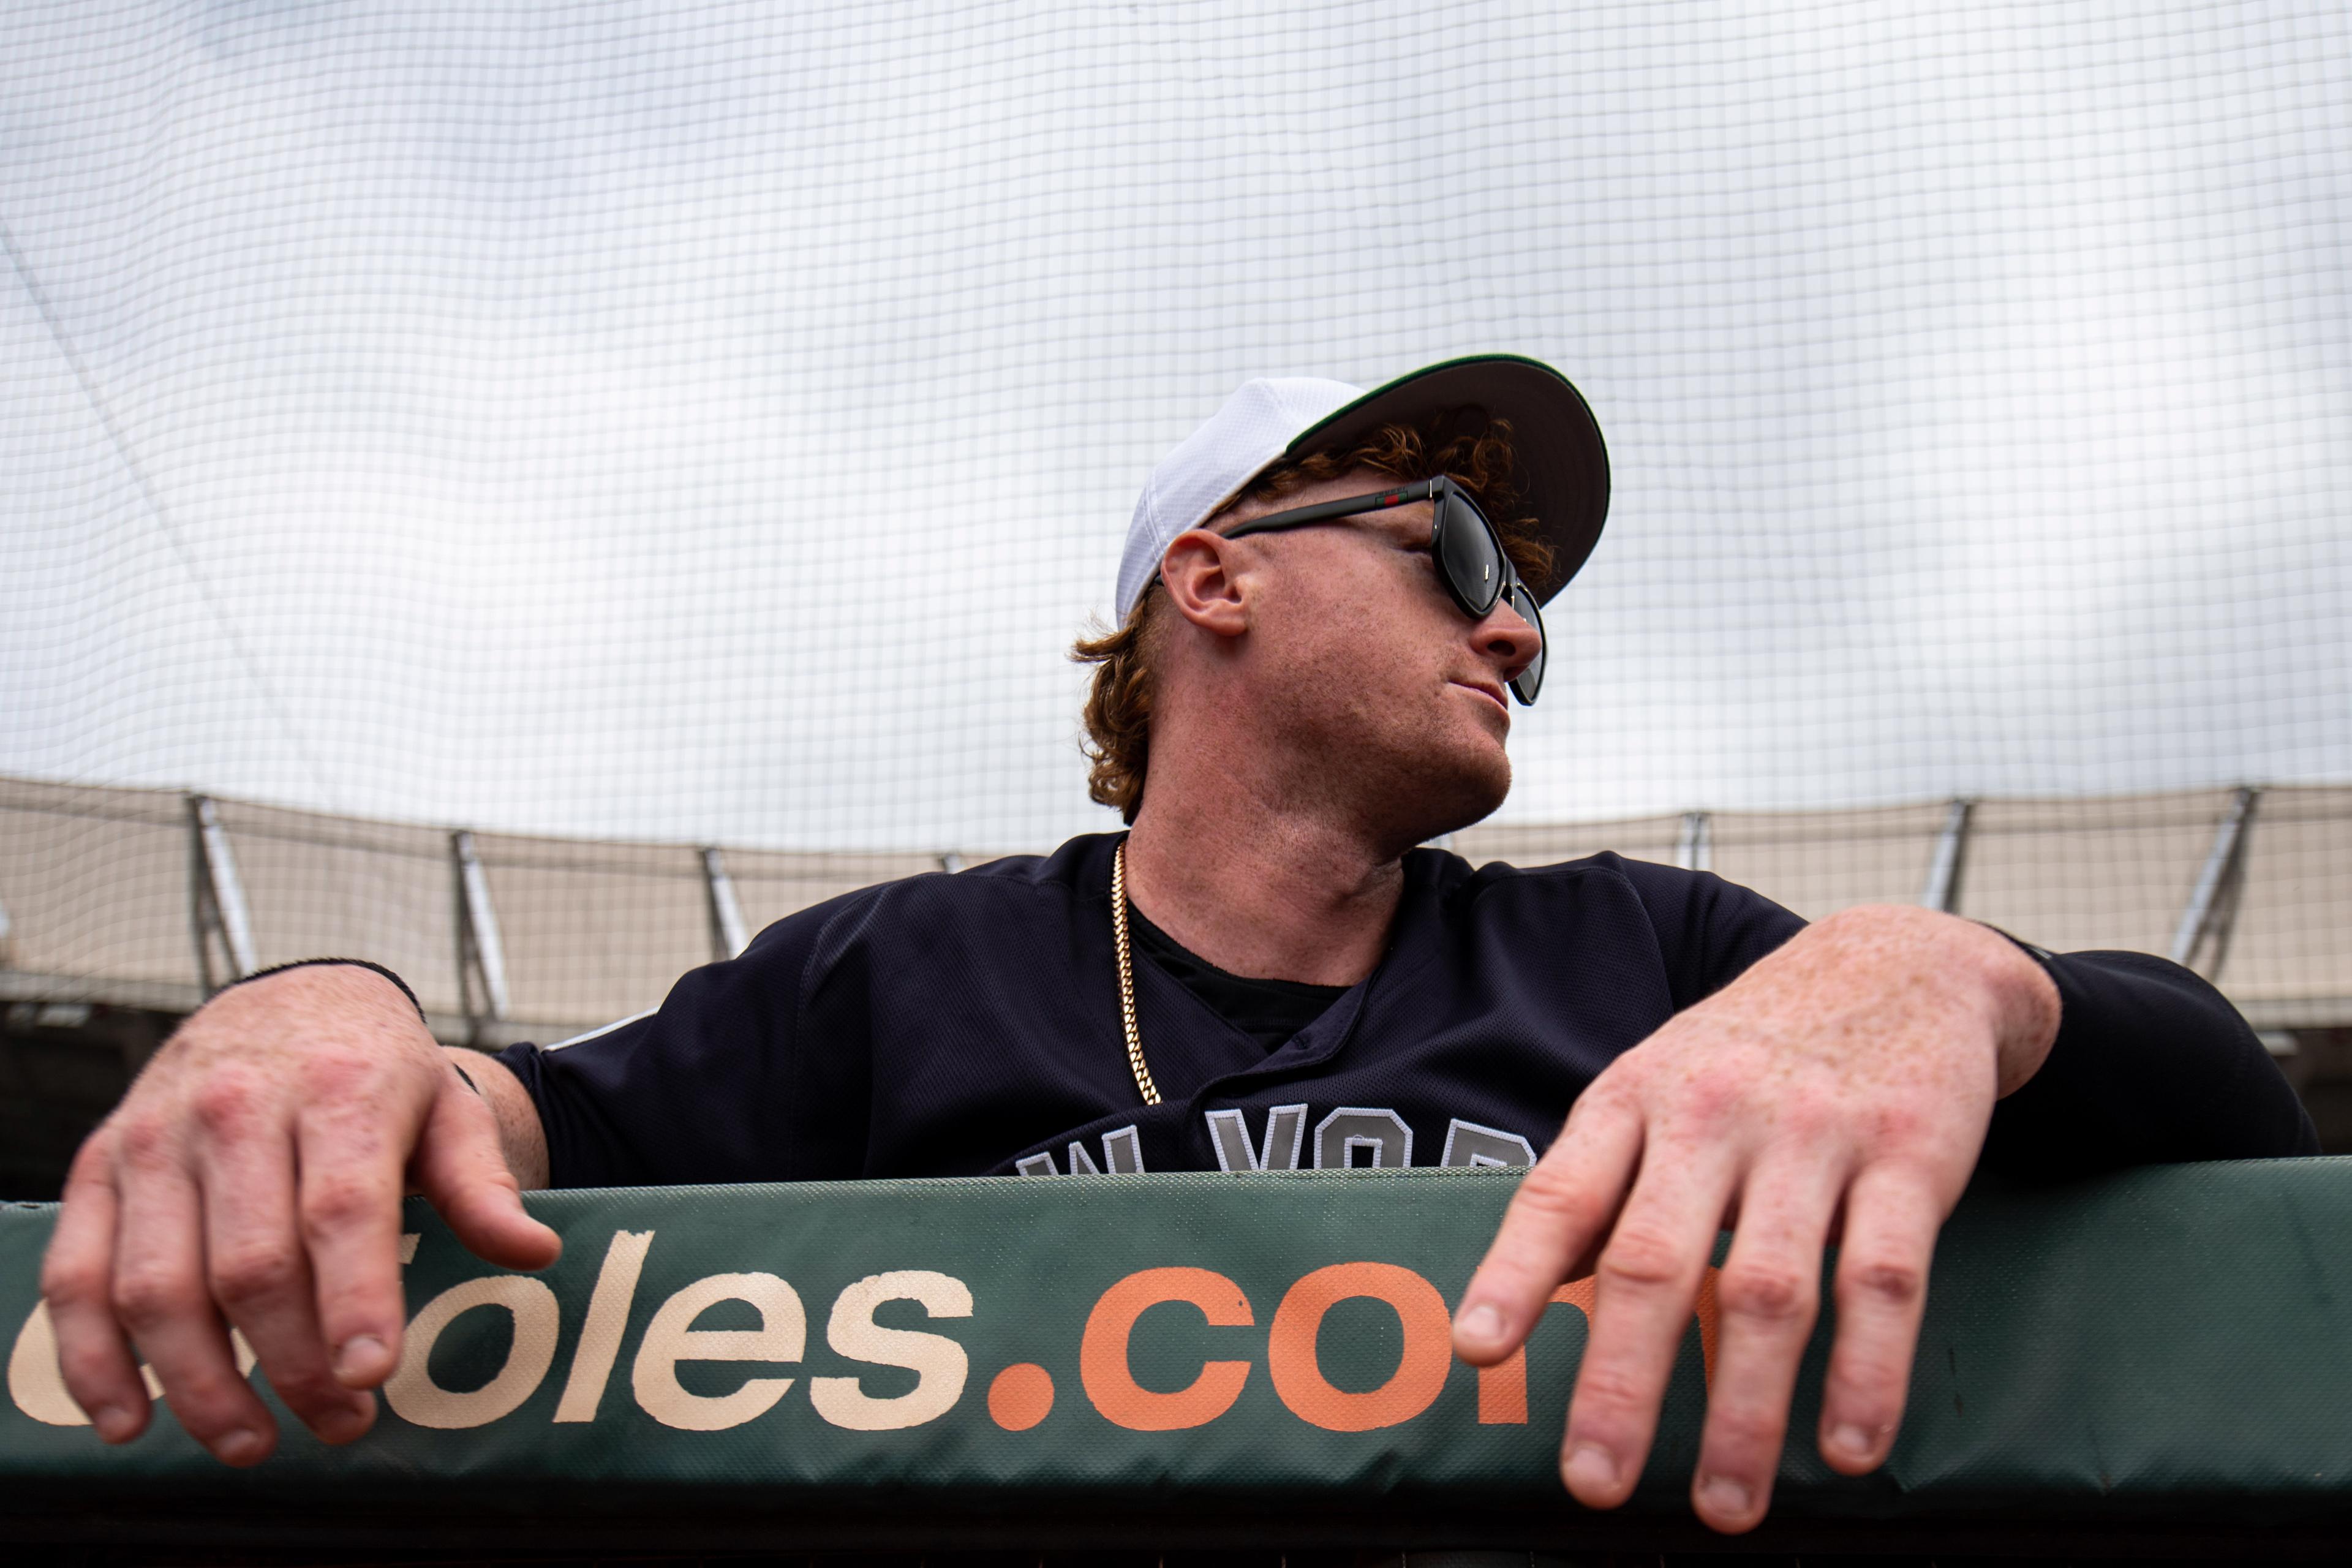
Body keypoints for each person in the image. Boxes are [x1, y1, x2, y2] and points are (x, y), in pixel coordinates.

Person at [40, 355, 2315, 1534]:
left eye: (1530, 595)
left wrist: (1952, 973)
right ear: (1210, 581)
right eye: (1446, 541)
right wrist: (308, 1003)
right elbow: (487, 1130)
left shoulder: (1650, 954)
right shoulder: (896, 981)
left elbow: (2233, 1132)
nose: (1516, 622)